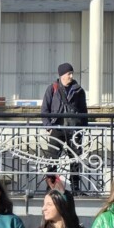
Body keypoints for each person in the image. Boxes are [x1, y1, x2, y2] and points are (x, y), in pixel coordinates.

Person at [41, 62, 89, 191]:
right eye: (69, 73)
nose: (71, 76)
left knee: (75, 158)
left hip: (74, 129)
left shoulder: (79, 90)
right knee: (52, 159)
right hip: (57, 128)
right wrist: (48, 127)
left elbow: (84, 111)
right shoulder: (52, 89)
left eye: (71, 73)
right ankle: (50, 187)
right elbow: (45, 110)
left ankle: (75, 188)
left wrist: (83, 129)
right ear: (62, 75)